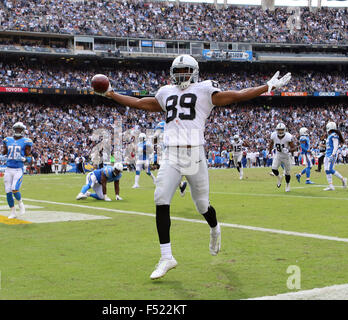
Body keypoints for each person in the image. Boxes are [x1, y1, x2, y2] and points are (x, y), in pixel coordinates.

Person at [95, 54, 291, 279]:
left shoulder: (205, 89)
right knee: (160, 198)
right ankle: (166, 256)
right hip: (171, 153)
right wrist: (112, 94)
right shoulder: (165, 92)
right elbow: (140, 103)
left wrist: (266, 86)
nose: (181, 76)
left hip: (194, 153)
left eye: (185, 71)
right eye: (178, 72)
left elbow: (236, 96)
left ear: (195, 72)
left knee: (201, 205)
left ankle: (215, 228)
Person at [1, 122, 33, 219]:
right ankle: (12, 211)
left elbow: (30, 158)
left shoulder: (26, 141)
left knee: (15, 188)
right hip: (8, 169)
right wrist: (2, 156)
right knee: (8, 191)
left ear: (22, 131)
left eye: (20, 129)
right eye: (16, 129)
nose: (18, 131)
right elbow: (4, 152)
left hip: (18, 169)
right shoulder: (7, 140)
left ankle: (21, 204)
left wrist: (24, 159)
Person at [268, 123, 297, 192]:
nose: (280, 131)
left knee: (287, 172)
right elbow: (271, 144)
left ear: (284, 130)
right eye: (279, 130)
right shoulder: (274, 135)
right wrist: (269, 152)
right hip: (278, 154)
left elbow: (295, 147)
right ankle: (279, 178)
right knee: (274, 169)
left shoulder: (288, 136)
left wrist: (288, 150)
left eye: (281, 130)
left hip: (286, 156)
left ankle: (287, 185)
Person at [323, 122, 347, 191]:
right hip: (327, 154)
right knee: (326, 170)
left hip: (331, 155)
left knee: (330, 169)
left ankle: (343, 179)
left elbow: (336, 146)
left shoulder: (334, 135)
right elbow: (329, 146)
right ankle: (331, 185)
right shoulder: (330, 135)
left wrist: (333, 154)